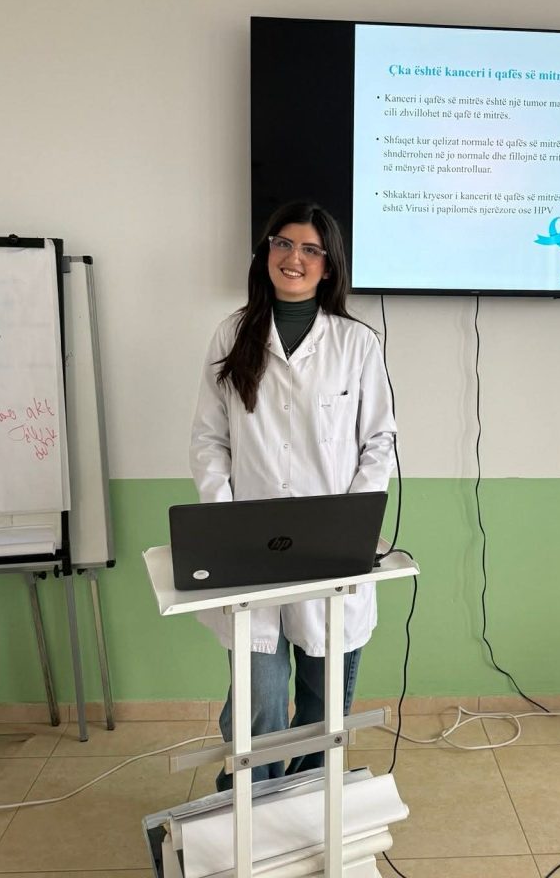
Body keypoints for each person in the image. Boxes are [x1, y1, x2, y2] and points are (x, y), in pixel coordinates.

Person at [189, 201, 396, 789]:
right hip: (248, 545)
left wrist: (352, 520)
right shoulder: (233, 333)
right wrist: (223, 520)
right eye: (283, 244)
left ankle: (306, 798)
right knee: (260, 697)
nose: (294, 258)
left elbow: (379, 441)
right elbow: (208, 439)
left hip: (331, 545)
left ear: (329, 265)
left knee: (323, 700)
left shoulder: (356, 343)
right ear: (266, 252)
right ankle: (251, 802)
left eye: (310, 249)